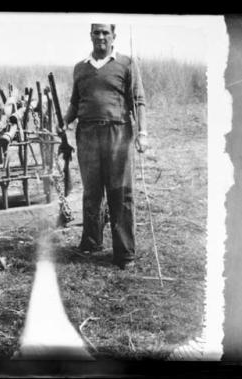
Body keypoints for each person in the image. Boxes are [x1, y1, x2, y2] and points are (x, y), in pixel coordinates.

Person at [64, 23, 148, 269]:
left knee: (120, 192)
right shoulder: (80, 68)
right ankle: (91, 243)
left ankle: (124, 253)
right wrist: (65, 121)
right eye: (96, 33)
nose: (101, 37)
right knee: (91, 191)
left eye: (105, 33)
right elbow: (74, 103)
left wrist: (142, 133)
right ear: (90, 36)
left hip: (118, 133)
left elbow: (139, 101)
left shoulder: (127, 64)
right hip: (87, 134)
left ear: (113, 37)